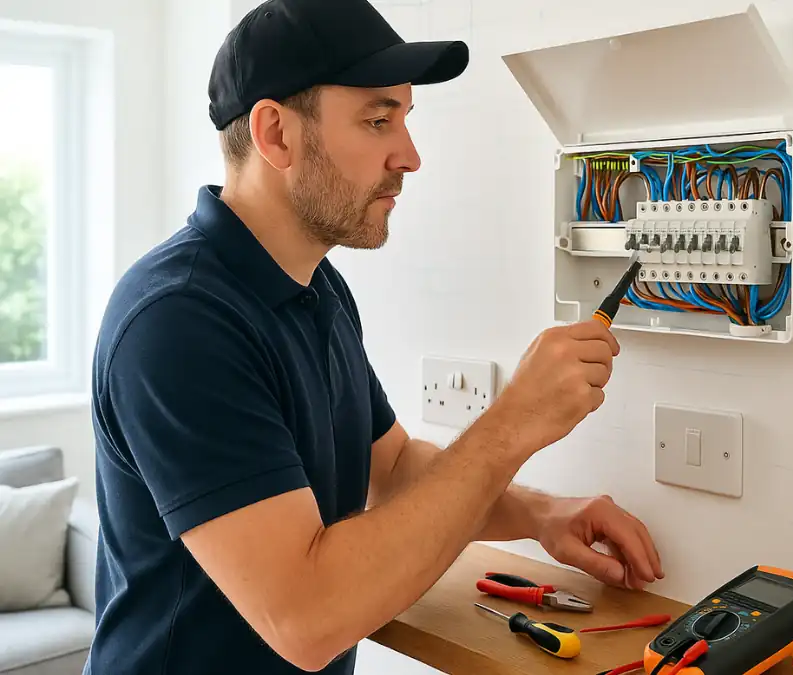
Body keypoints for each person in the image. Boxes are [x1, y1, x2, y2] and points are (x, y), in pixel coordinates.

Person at [83, 0, 663, 672]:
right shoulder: (177, 323)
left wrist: (544, 515)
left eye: (404, 120)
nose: (410, 156)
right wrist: (511, 425)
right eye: (378, 120)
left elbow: (391, 471)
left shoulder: (315, 287)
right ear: (275, 134)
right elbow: (306, 618)